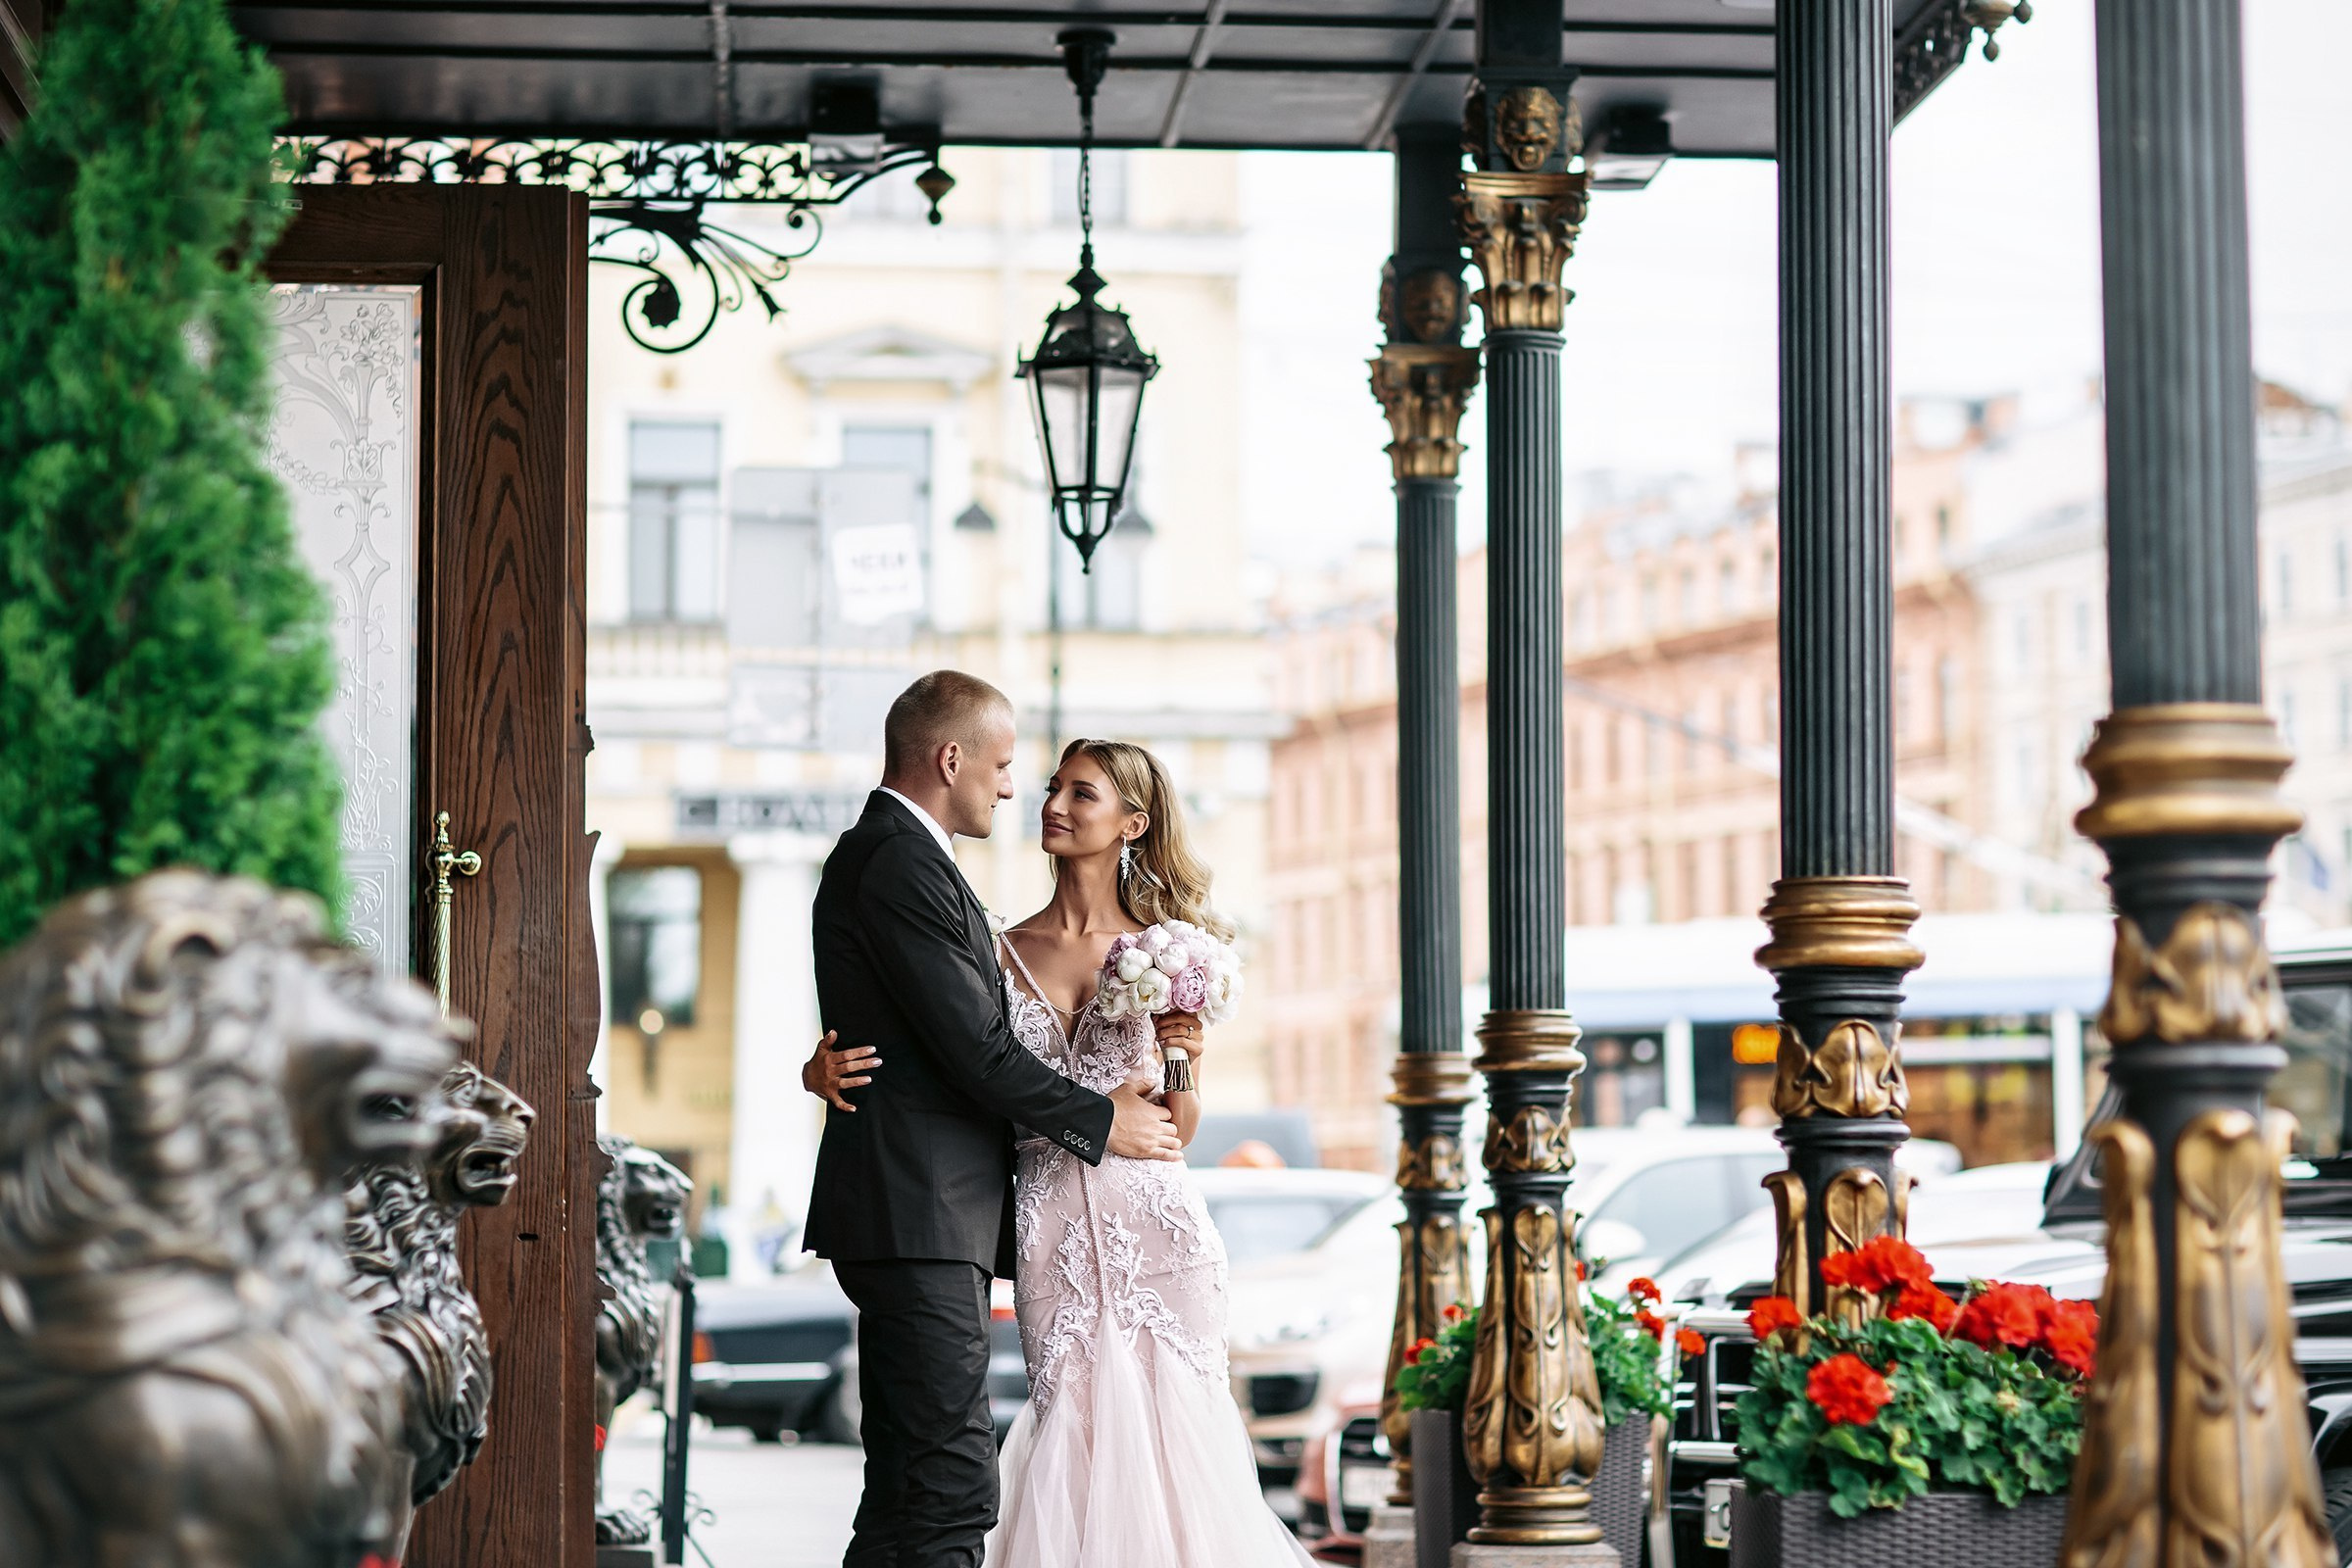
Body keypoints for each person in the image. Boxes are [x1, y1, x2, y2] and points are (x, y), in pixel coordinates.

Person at [808, 735, 1311, 1568]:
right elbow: (945, 1049)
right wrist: (820, 1063)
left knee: (1180, 1447)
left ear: (1131, 824)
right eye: (1052, 788)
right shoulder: (997, 950)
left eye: (1082, 795)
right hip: (1051, 1230)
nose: (1053, 805)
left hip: (1160, 1232)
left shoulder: (1167, 946)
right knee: (1072, 1431)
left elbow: (1172, 1130)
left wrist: (1182, 1052)